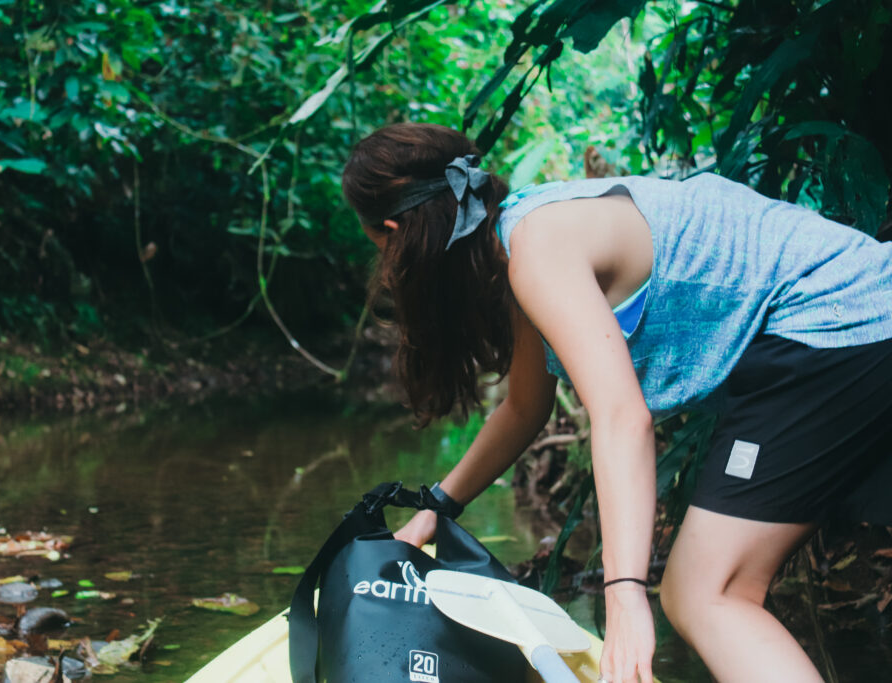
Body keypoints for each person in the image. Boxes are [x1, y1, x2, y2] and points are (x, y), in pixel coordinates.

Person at [341, 121, 892, 683]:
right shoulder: (521, 239)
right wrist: (438, 505)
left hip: (839, 322)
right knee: (708, 589)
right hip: (845, 323)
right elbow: (525, 407)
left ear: (393, 233)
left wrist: (625, 595)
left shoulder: (537, 250)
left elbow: (623, 416)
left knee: (708, 593)